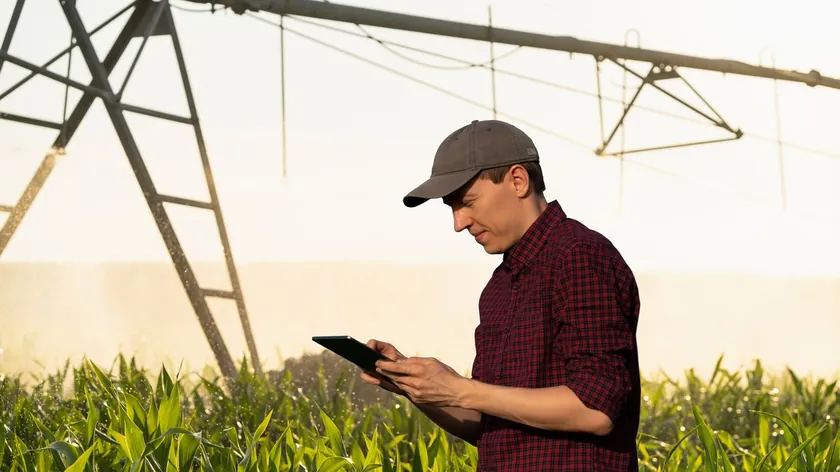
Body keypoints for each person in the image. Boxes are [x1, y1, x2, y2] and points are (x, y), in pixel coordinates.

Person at [360, 119, 641, 471]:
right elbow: (488, 424)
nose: (459, 223)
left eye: (468, 202)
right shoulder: (499, 286)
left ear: (518, 180)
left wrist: (461, 389)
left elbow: (596, 409)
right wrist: (415, 386)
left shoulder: (579, 255)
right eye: (452, 208)